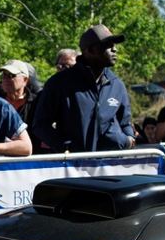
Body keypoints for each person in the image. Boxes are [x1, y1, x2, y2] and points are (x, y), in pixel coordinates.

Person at [32, 25, 134, 153]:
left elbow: (125, 122)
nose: (114, 49)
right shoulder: (60, 83)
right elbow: (40, 124)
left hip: (111, 166)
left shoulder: (116, 84)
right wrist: (66, 147)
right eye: (108, 45)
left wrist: (129, 139)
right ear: (91, 50)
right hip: (75, 167)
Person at [0, 60, 41, 141]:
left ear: (25, 80)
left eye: (11, 76)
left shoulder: (37, 103)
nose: (5, 79)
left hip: (31, 151)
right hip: (1, 151)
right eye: (3, 76)